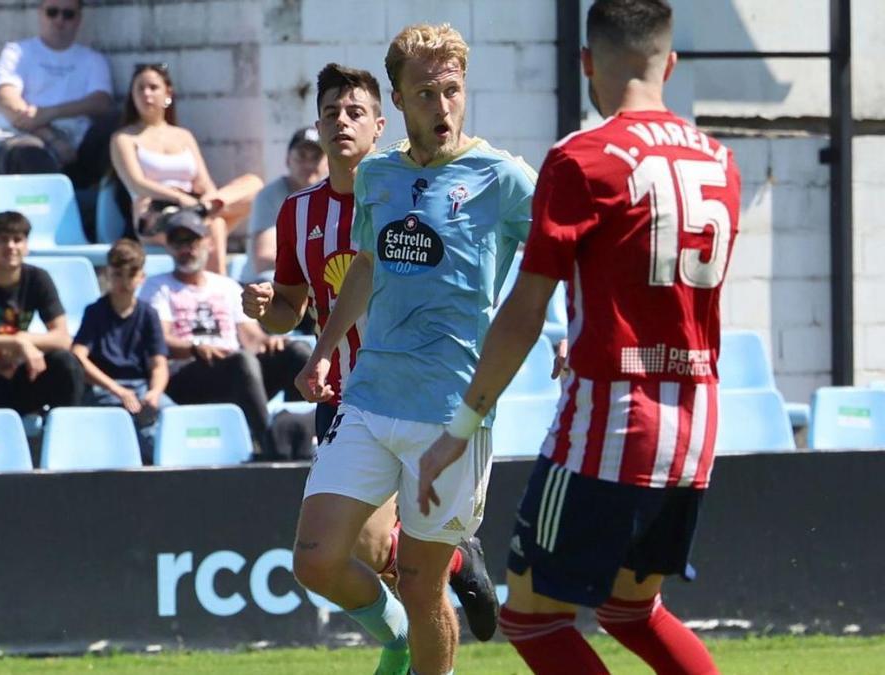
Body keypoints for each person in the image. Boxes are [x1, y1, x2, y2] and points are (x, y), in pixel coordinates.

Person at [416, 2, 740, 673]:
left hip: (612, 419)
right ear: (670, 64)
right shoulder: (720, 160)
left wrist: (462, 423)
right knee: (631, 609)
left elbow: (526, 307)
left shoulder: (581, 158)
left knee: (530, 619)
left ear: (587, 62)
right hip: (697, 419)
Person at [291, 25, 538, 675]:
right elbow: (368, 265)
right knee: (315, 557)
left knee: (423, 582)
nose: (443, 107)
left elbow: (561, 255)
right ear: (398, 101)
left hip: (449, 411)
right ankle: (395, 634)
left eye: (452, 91)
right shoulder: (377, 175)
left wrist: (573, 330)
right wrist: (323, 348)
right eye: (426, 93)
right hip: (370, 395)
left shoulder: (505, 179)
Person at [243, 61, 503, 665]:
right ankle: (415, 623)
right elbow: (287, 311)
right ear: (317, 125)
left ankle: (435, 593)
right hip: (340, 398)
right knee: (330, 558)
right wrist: (265, 308)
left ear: (381, 124)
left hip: (406, 392)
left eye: (355, 112)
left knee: (395, 560)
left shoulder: (406, 198)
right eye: (331, 112)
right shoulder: (298, 213)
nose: (342, 122)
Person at [139, 213, 312, 461]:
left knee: (296, 352)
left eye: (193, 241)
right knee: (242, 361)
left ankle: (300, 435)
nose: (186, 249)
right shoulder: (158, 286)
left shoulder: (226, 286)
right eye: (179, 242)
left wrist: (269, 342)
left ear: (207, 243)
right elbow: (159, 340)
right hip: (187, 375)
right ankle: (268, 444)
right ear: (169, 247)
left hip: (238, 372)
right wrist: (196, 348)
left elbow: (251, 337)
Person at [110, 62, 263, 276]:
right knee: (215, 226)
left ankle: (205, 210)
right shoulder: (123, 138)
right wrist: (181, 199)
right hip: (155, 214)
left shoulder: (183, 136)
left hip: (196, 206)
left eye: (153, 88)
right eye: (140, 88)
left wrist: (206, 202)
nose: (146, 94)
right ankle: (218, 297)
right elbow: (137, 183)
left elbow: (205, 183)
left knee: (254, 184)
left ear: (168, 93)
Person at [0, 211, 85, 417]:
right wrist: (15, 343)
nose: (11, 246)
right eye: (2, 240)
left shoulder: (38, 279)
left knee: (66, 362)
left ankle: (66, 427)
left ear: (26, 245)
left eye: (17, 240)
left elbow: (62, 338)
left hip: (21, 374)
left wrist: (24, 339)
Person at [0, 0, 118, 189]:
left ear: (78, 19)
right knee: (31, 153)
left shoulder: (93, 60)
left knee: (118, 125)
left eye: (68, 14)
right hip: (22, 142)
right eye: (52, 12)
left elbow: (101, 103)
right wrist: (52, 138)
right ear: (40, 13)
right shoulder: (17, 52)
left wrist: (50, 112)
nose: (59, 20)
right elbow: (7, 99)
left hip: (76, 150)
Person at [72, 239, 171, 464]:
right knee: (137, 430)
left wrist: (155, 392)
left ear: (141, 277)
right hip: (104, 389)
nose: (124, 281)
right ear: (108, 274)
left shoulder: (148, 315)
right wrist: (117, 390)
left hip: (141, 388)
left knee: (172, 419)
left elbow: (159, 363)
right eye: (118, 274)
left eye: (131, 274)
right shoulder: (95, 312)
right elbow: (78, 355)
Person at [244, 127, 328, 282]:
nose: (308, 164)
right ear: (288, 160)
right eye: (301, 156)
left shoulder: (335, 196)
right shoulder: (269, 196)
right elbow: (264, 259)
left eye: (315, 157)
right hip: (267, 284)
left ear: (327, 163)